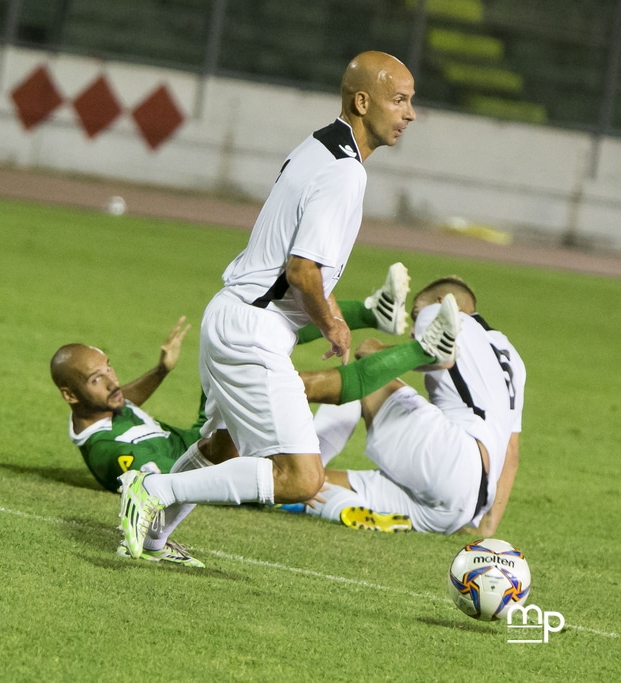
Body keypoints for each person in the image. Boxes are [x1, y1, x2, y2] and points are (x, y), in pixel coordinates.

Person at [114, 50, 424, 561]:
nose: (410, 113)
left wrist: (331, 310)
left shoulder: (318, 143)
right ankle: (154, 490)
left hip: (234, 316)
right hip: (251, 332)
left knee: (224, 446)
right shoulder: (346, 172)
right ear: (362, 101)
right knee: (302, 477)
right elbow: (303, 270)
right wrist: (333, 326)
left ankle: (151, 536)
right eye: (400, 100)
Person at [53, 281, 460, 564]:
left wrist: (159, 372)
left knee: (295, 364)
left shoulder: (107, 412)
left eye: (108, 369)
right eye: (97, 379)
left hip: (216, 435)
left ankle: (382, 318)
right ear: (71, 396)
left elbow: (123, 402)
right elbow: (149, 474)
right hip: (232, 455)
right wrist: (280, 476)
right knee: (306, 411)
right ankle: (415, 342)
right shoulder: (110, 452)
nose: (112, 382)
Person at [306, 277, 525, 537]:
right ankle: (310, 490)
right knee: (323, 485)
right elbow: (511, 453)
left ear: (442, 302)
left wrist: (374, 348)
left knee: (365, 373)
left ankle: (303, 463)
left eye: (416, 314)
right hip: (465, 506)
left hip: (452, 457)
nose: (413, 330)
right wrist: (486, 528)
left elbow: (437, 353)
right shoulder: (511, 358)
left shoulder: (442, 313)